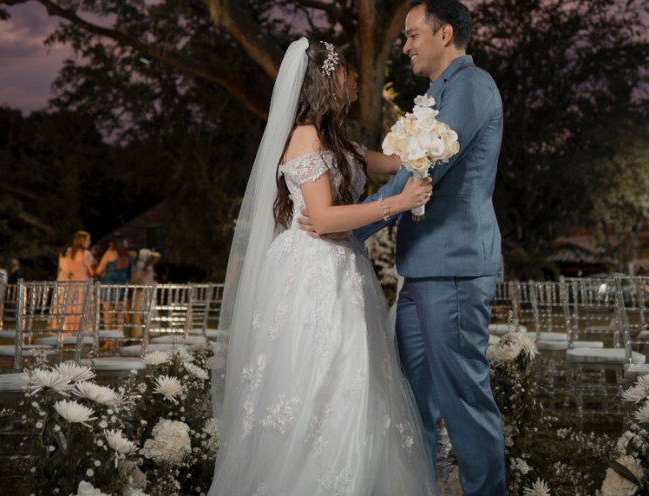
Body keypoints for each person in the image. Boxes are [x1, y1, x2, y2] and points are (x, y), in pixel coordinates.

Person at [208, 39, 436, 496]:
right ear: (328, 80)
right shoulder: (304, 136)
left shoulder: (339, 141)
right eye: (347, 72)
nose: (355, 79)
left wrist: (427, 137)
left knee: (357, 376)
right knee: (321, 375)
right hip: (312, 272)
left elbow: (395, 162)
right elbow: (325, 218)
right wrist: (398, 203)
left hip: (344, 268)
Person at [345, 2, 506, 493]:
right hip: (420, 268)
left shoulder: (471, 86)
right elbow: (401, 167)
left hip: (453, 266)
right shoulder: (438, 93)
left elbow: (422, 172)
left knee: (463, 399)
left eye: (413, 35)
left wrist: (347, 230)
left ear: (445, 34)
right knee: (412, 402)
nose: (406, 46)